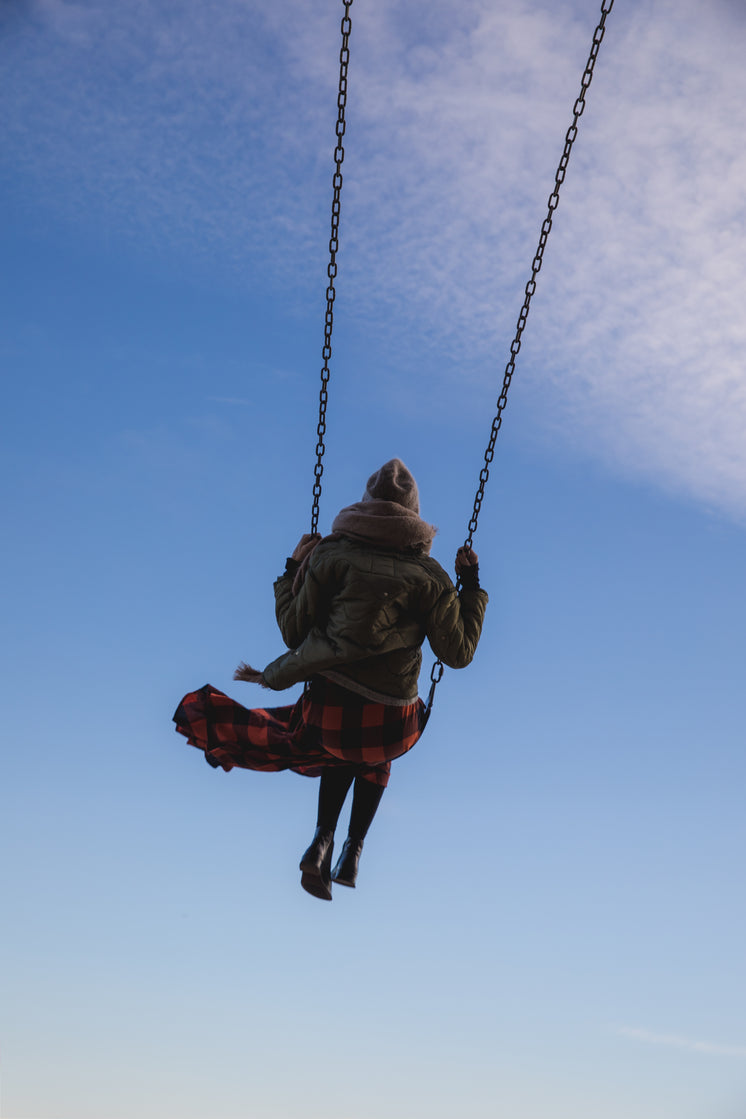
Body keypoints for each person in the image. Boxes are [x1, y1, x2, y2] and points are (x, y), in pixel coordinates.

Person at [173, 458, 488, 900]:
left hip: (329, 719)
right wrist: (470, 585)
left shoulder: (331, 555)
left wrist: (291, 568)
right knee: (375, 739)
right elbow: (458, 654)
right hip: (393, 728)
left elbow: (293, 631)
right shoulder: (432, 578)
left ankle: (322, 840)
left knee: (340, 729)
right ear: (414, 521)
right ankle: (353, 850)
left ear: (365, 507)